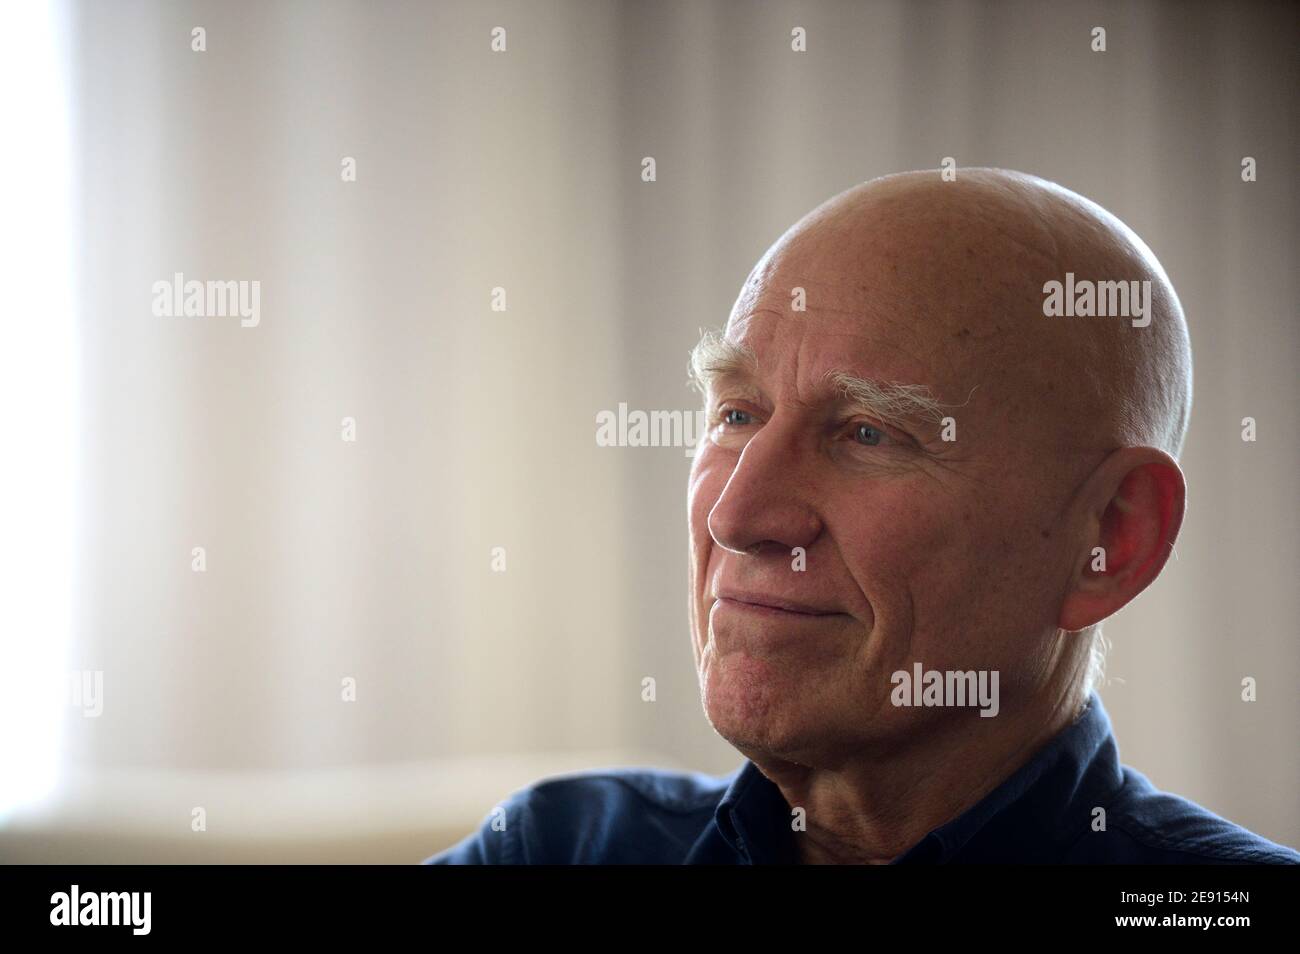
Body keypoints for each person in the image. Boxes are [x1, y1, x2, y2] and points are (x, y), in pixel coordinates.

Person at [425, 169, 1298, 864]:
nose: (738, 514)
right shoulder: (563, 846)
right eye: (737, 413)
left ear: (1112, 536)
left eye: (869, 432)